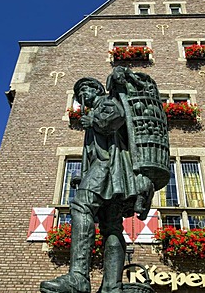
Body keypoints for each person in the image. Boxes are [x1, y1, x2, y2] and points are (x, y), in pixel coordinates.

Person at [40, 72, 164, 293]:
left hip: (110, 168)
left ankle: (78, 277)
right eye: (79, 95)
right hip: (109, 173)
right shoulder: (98, 108)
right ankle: (112, 286)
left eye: (85, 90)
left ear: (97, 89)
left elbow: (115, 120)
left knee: (80, 207)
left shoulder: (106, 102)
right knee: (111, 227)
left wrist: (94, 121)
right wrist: (83, 175)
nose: (82, 96)